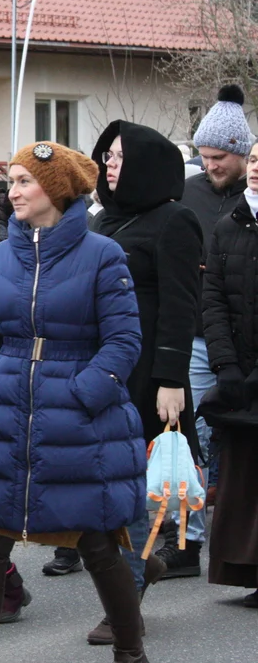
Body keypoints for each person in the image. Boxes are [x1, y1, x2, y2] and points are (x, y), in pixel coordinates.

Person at [0, 142, 148, 663]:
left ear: (55, 190)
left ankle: (131, 651)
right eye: (12, 180)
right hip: (3, 414)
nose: (14, 190)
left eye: (25, 180)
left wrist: (82, 395)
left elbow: (124, 342)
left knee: (97, 542)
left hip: (78, 420)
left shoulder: (103, 255)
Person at [80, 122, 202, 643]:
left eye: (120, 156)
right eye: (106, 154)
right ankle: (139, 572)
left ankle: (124, 603)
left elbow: (181, 304)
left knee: (135, 495)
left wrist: (172, 377)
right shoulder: (104, 220)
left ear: (148, 163)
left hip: (151, 378)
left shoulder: (176, 220)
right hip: (102, 375)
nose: (109, 163)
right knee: (99, 492)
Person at [176, 83, 252, 574]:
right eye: (204, 157)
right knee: (194, 431)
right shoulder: (190, 193)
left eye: (220, 156)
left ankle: (235, 532)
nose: (210, 166)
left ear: (242, 153)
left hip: (248, 338)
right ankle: (189, 539)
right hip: (202, 335)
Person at [197, 137, 258, 609]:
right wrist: (226, 365)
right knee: (241, 478)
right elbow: (213, 298)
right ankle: (247, 569)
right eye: (255, 160)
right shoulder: (227, 225)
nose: (256, 169)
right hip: (238, 371)